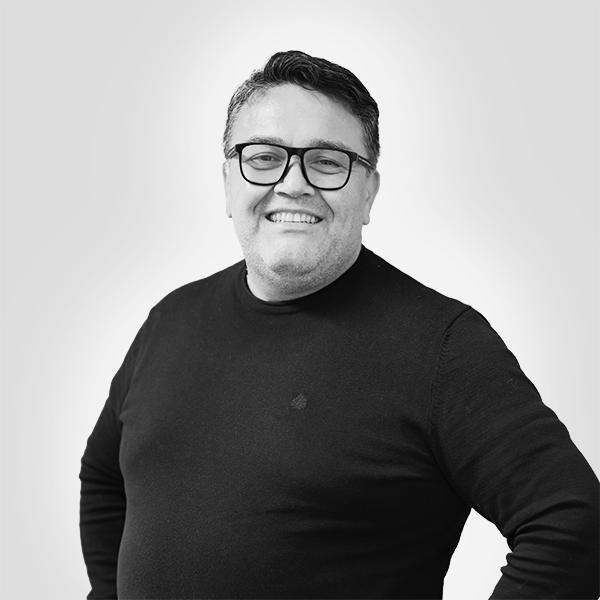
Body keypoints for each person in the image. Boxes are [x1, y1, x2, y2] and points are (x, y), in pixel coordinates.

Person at [79, 50, 599, 600]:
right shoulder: (171, 319)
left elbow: (573, 523)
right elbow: (104, 477)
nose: (293, 183)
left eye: (327, 161)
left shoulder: (442, 346)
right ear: (228, 181)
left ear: (369, 191)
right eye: (264, 157)